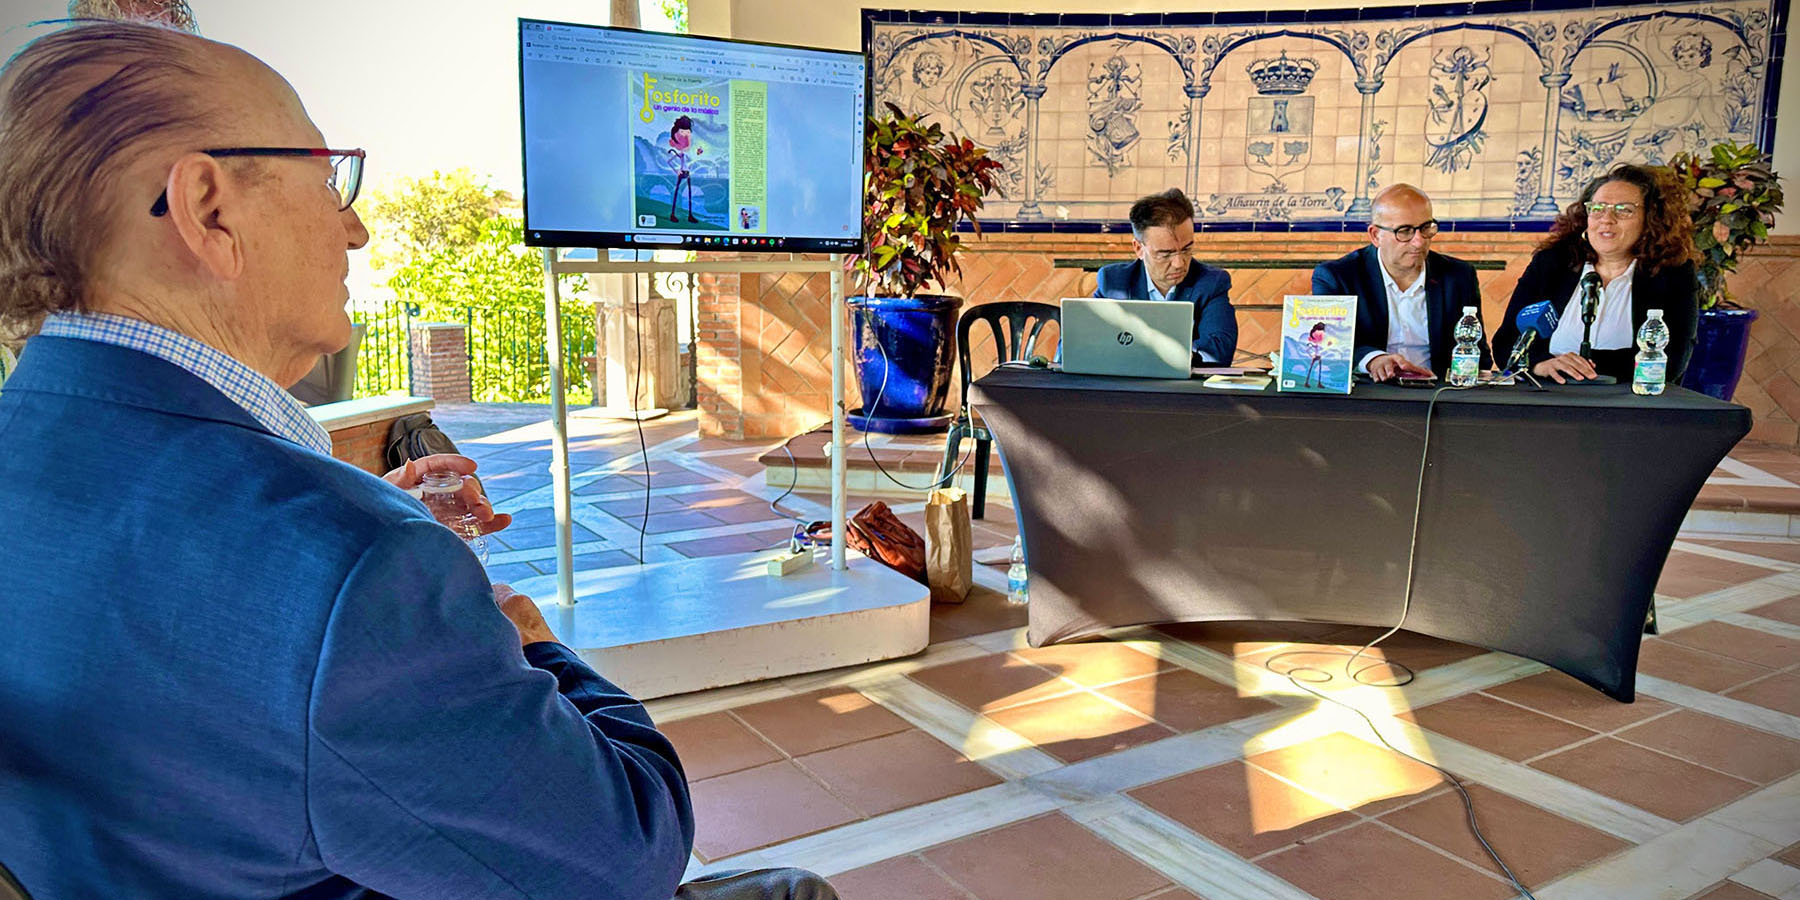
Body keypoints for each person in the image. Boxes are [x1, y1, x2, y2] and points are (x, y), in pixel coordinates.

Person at [0, 21, 832, 900]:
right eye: (330, 180)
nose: (354, 229)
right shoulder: (348, 570)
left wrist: (372, 522)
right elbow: (626, 852)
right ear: (210, 210)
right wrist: (527, 641)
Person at [1493, 163, 1700, 385]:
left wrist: (1579, 363)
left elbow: (1671, 361)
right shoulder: (1552, 264)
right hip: (1548, 397)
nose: (1607, 219)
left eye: (1623, 210)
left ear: (1651, 219)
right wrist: (1541, 364)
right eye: (1598, 208)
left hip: (1631, 402)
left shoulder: (1673, 275)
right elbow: (1506, 343)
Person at [1311, 184, 1490, 382]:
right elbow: (1328, 344)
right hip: (1370, 390)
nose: (1419, 241)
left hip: (1438, 391)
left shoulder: (1458, 276)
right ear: (1376, 235)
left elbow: (1478, 353)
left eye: (1426, 228)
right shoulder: (1338, 277)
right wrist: (1373, 359)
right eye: (1405, 231)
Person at [1093, 188, 1237, 365]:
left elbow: (1219, 350)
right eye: (1165, 254)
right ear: (1138, 248)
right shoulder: (1114, 282)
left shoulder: (1211, 283)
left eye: (1186, 249)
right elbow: (1079, 343)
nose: (1179, 263)